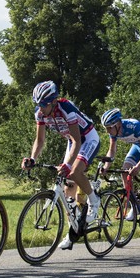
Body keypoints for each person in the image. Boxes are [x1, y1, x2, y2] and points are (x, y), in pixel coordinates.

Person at [21, 80, 100, 250]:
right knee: (66, 193)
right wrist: (32, 158)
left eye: (43, 104)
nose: (40, 108)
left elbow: (77, 140)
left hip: (87, 138)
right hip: (71, 141)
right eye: (37, 104)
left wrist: (68, 164)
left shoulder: (67, 109)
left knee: (73, 172)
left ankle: (94, 201)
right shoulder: (40, 114)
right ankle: (73, 231)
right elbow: (40, 140)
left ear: (53, 101)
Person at [98, 108, 140, 218]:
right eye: (106, 128)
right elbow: (112, 151)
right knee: (124, 171)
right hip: (138, 146)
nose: (107, 131)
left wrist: (138, 167)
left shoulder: (134, 126)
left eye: (109, 128)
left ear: (117, 124)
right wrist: (106, 166)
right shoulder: (114, 131)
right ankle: (135, 206)